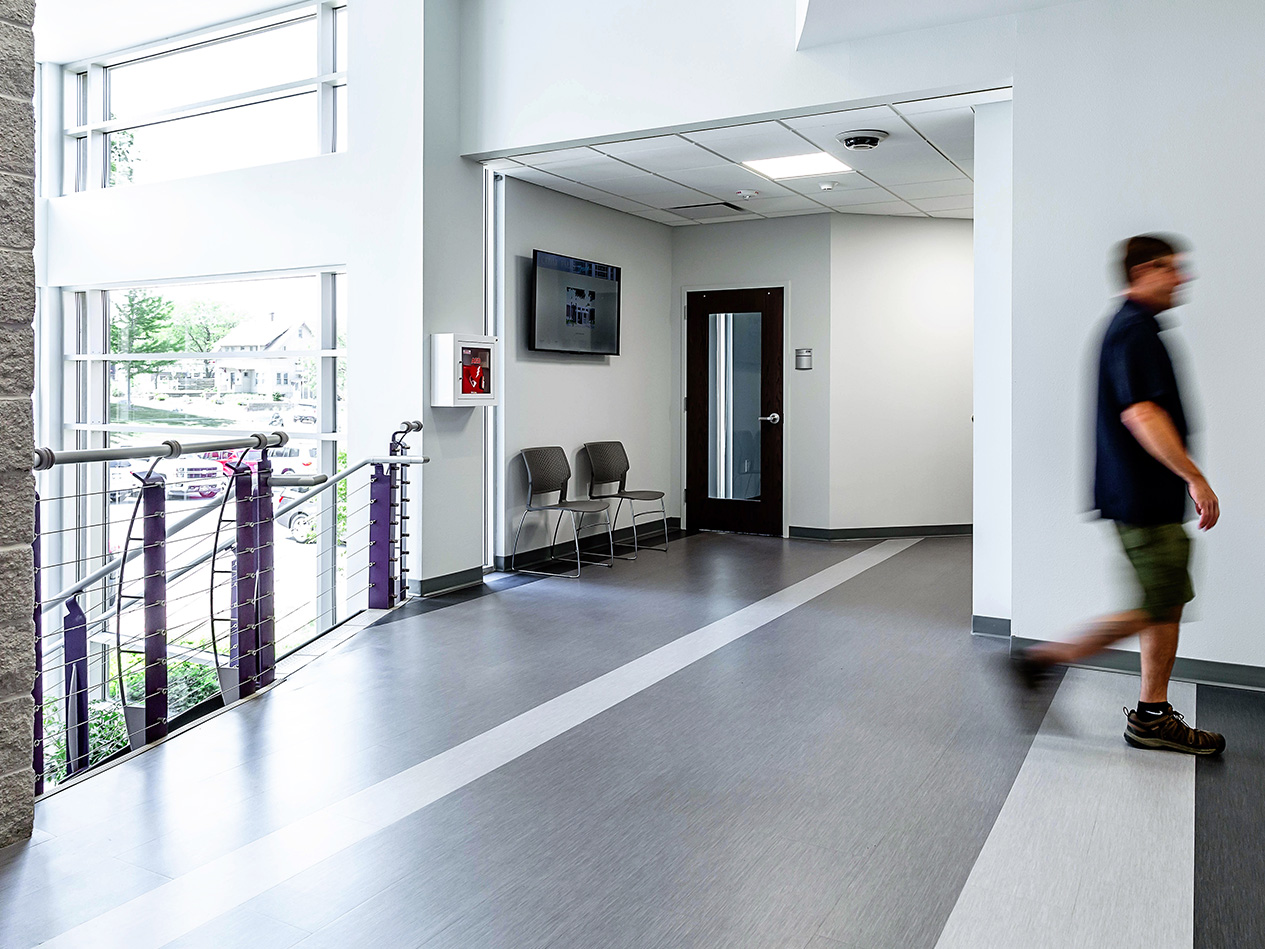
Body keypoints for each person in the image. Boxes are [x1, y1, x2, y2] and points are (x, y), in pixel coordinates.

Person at [1012, 234, 1225, 755]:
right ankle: (1045, 660)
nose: (1182, 278)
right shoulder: (1134, 331)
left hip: (1141, 494)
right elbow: (1142, 414)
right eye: (1173, 269)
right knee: (1157, 603)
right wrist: (1195, 477)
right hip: (1144, 496)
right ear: (1145, 270)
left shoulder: (1132, 327)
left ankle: (1151, 713)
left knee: (1164, 601)